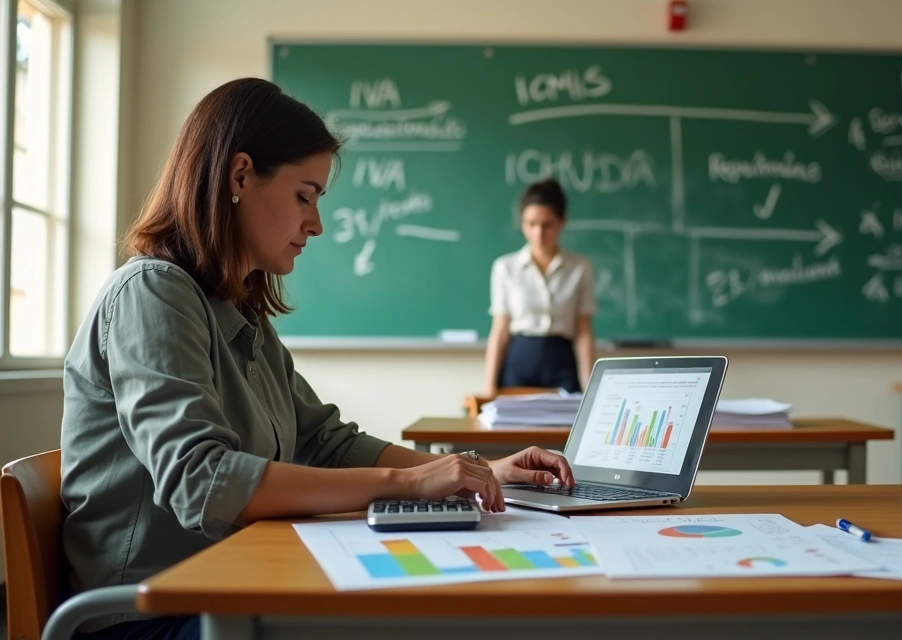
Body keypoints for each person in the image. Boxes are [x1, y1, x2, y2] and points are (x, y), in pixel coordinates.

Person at [59, 78, 574, 640]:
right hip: (148, 615)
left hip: (227, 583)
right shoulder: (151, 293)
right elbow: (204, 481)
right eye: (305, 195)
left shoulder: (239, 312)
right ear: (239, 175)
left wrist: (479, 473)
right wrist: (406, 484)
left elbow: (325, 440)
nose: (317, 224)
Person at [483, 179, 596, 397]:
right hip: (519, 363)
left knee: (567, 427)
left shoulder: (580, 268)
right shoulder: (505, 267)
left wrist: (590, 386)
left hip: (562, 363)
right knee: (513, 429)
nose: (538, 234)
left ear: (562, 222)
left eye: (547, 225)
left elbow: (583, 331)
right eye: (531, 224)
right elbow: (500, 329)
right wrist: (489, 387)